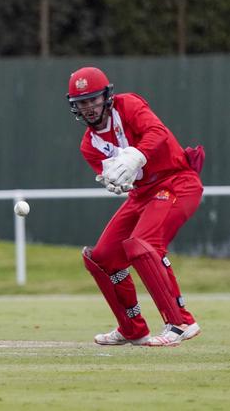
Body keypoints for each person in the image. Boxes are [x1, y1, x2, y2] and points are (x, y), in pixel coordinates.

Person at [67, 66, 204, 347]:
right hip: (142, 194)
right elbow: (119, 180)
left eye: (93, 99)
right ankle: (132, 328)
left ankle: (180, 321)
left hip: (177, 181)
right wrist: (116, 182)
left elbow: (158, 132)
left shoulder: (128, 104)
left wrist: (135, 157)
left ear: (106, 96)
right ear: (75, 107)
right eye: (83, 102)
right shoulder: (89, 145)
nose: (89, 107)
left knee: (142, 243)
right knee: (102, 257)